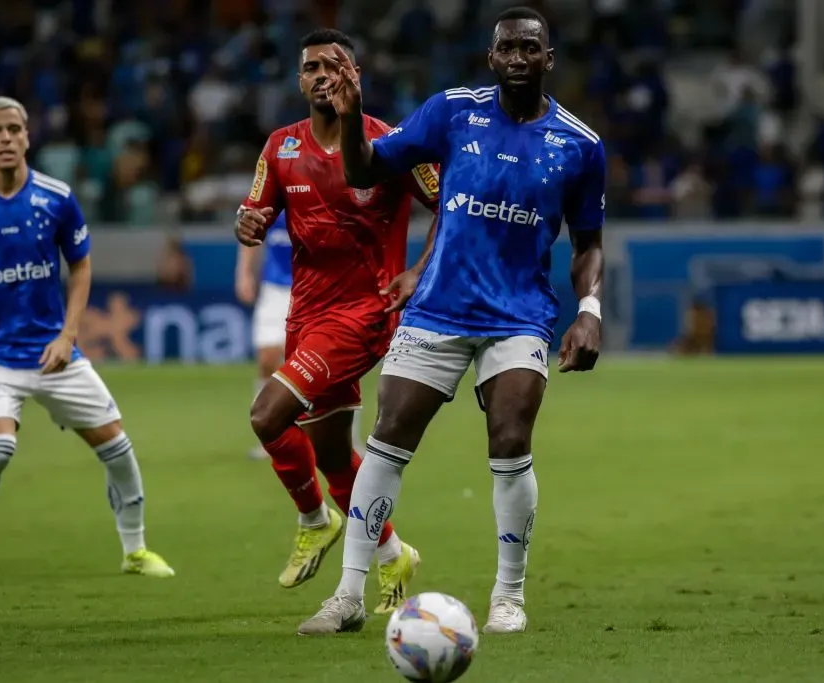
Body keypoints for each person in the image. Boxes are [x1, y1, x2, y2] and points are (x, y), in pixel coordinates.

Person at [296, 6, 605, 635]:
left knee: (512, 438)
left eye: (529, 49)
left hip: (519, 315)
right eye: (506, 50)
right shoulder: (452, 110)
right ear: (491, 59)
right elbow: (362, 170)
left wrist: (590, 310)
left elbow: (589, 241)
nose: (517, 59)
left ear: (548, 59)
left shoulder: (580, 145)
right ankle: (349, 594)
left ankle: (508, 595)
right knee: (387, 439)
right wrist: (353, 116)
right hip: (437, 308)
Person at [0, 96, 174, 580]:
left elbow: (80, 266)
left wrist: (67, 333)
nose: (7, 138)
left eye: (15, 129)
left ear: (28, 136)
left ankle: (135, 551)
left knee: (118, 449)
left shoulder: (55, 197)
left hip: (56, 354)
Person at [234, 28, 440, 615]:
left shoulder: (393, 144)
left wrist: (420, 270)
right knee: (330, 457)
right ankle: (394, 552)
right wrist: (246, 224)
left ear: (355, 76)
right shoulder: (280, 147)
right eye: (311, 67)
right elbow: (255, 211)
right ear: (299, 81)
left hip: (364, 314)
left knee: (266, 414)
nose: (321, 74)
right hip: (307, 312)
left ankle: (312, 519)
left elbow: (449, 204)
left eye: (334, 64)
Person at [236, 214, 365, 460]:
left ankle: (349, 438)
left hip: (318, 286)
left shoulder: (320, 191)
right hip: (275, 288)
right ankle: (272, 438)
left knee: (335, 367)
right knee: (267, 359)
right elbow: (249, 228)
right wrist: (243, 273)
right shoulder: (272, 191)